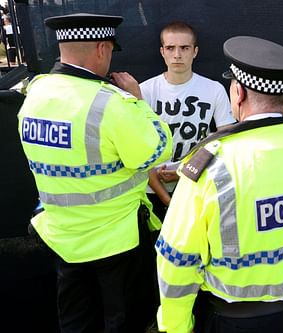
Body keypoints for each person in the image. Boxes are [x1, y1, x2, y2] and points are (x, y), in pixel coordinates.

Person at [155, 36, 283, 333]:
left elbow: (178, 258)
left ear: (238, 93)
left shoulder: (211, 165)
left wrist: (175, 325)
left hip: (234, 321)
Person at [17, 13, 173, 333]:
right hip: (115, 239)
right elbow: (155, 152)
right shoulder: (110, 103)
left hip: (63, 234)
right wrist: (138, 101)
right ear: (102, 49)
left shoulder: (36, 93)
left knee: (76, 320)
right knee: (123, 321)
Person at [140, 21, 235, 220]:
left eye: (184, 48)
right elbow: (138, 151)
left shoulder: (213, 89)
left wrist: (184, 171)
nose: (177, 55)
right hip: (150, 188)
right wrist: (166, 199)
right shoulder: (145, 91)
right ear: (162, 51)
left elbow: (226, 143)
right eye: (170, 48)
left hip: (196, 182)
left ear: (195, 51)